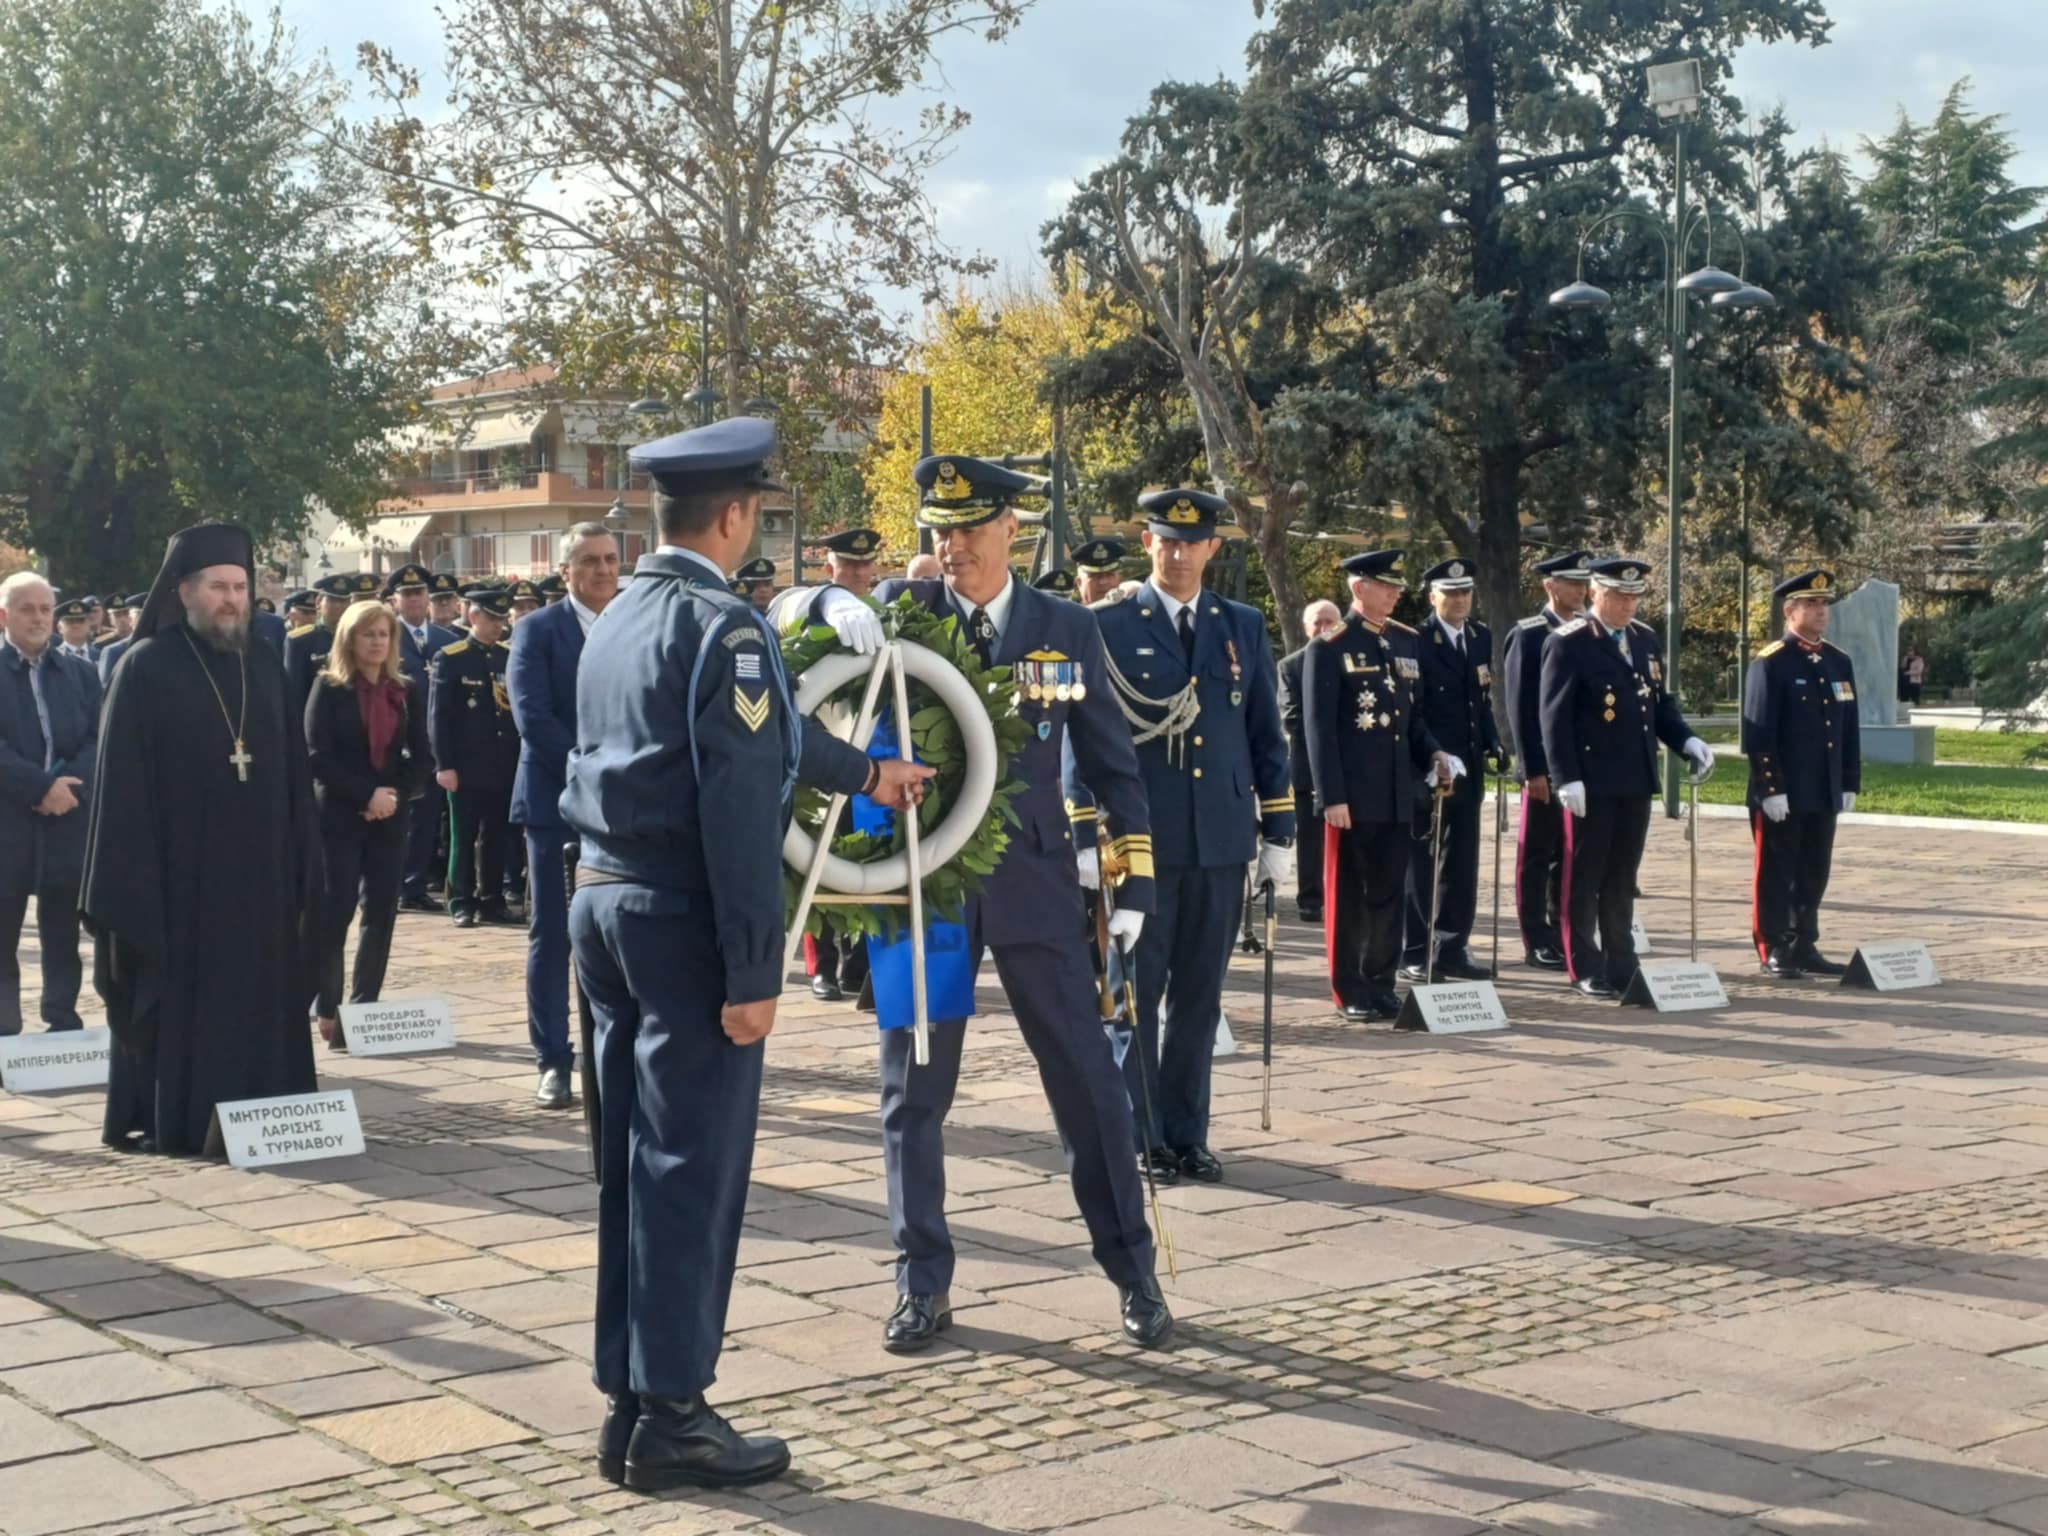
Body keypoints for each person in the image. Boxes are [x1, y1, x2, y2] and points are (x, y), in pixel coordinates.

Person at [563, 418, 930, 1491]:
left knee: (631, 1165)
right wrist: (752, 971)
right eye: (757, 514)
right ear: (732, 518)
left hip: (604, 903)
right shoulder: (724, 627)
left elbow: (752, 742)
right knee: (691, 1170)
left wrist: (864, 773)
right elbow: (732, 801)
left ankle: (633, 1400)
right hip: (683, 923)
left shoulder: (621, 611)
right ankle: (675, 1414)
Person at [781, 453, 1171, 1356]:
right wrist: (821, 601)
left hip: (1036, 887)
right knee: (912, 1093)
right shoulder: (899, 616)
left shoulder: (1064, 626)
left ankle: (1133, 1271)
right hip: (927, 888)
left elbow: (1112, 763)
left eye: (966, 530)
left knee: (1089, 1086)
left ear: (1010, 533)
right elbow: (788, 643)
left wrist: (1134, 882)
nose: (949, 547)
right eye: (938, 532)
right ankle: (922, 1285)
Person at [1064, 488, 1291, 1186]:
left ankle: (1189, 1134)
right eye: (1167, 540)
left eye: (1193, 542)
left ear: (1213, 548)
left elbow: (1263, 730)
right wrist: (1080, 828)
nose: (1180, 552)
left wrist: (1278, 828)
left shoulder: (1241, 625)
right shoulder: (1106, 623)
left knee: (1200, 998)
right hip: (1141, 838)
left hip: (1221, 838)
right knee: (1134, 994)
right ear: (1147, 542)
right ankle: (1142, 1136)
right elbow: (1084, 732)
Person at [81, 523, 322, 1155]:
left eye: (240, 587)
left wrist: (304, 863)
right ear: (184, 590)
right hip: (180, 890)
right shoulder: (144, 669)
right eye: (218, 586)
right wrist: (134, 887)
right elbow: (123, 797)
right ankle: (183, 1119)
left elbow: (294, 779)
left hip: (262, 887)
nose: (232, 600)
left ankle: (265, 1115)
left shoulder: (265, 666)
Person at [1538, 557, 1714, 997]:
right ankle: (1584, 963)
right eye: (1618, 596)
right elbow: (1554, 718)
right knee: (1585, 875)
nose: (1627, 605)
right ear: (1596, 593)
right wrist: (1565, 776)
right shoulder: (1569, 642)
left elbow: (1657, 703)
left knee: (1621, 876)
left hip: (1635, 777)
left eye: (1634, 597)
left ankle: (1621, 960)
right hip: (1591, 780)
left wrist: (1686, 741)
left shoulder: (1644, 640)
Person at [1304, 550, 1459, 1021]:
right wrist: (1332, 796)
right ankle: (1349, 987)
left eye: (1396, 585)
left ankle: (1380, 981)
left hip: (1396, 793)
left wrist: (1433, 751)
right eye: (1385, 585)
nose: (1395, 593)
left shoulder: (1405, 643)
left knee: (1390, 892)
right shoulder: (1330, 646)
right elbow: (1320, 730)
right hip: (1352, 796)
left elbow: (1412, 719)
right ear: (1358, 588)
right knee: (1350, 895)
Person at [509, 521, 621, 1110]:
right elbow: (534, 718)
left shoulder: (633, 625)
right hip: (557, 805)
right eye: (589, 561)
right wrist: (595, 770)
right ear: (565, 572)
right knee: (553, 935)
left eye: (610, 559)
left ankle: (616, 1054)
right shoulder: (536, 631)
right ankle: (553, 1059)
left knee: (619, 934)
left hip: (623, 810)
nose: (603, 570)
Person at [306, 601, 431, 1051]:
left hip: (390, 817)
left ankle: (363, 1011)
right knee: (335, 912)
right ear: (349, 640)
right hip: (339, 816)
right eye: (368, 634)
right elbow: (316, 755)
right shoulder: (329, 687)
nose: (377, 642)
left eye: (384, 634)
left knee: (380, 913)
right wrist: (365, 795)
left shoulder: (407, 690)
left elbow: (422, 756)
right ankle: (328, 1006)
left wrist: (392, 795)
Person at [1744, 570, 1861, 978]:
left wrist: (1848, 781)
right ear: (1790, 611)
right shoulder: (1772, 662)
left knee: (1814, 868)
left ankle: (1804, 942)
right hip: (1784, 789)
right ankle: (1774, 944)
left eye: (1824, 604)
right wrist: (1769, 786)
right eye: (1811, 604)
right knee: (1777, 871)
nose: (1820, 611)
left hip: (1822, 787)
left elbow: (1848, 729)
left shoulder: (1836, 660)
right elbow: (1758, 732)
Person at [0, 574, 98, 1035]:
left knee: (62, 928)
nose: (39, 618)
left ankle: (62, 1021)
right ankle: (4, 1030)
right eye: (27, 609)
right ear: (4, 616)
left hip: (66, 821)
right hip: (9, 821)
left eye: (45, 608)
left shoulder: (79, 672)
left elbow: (99, 738)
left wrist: (67, 791)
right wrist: (40, 787)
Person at [1400, 558, 1504, 982]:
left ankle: (1452, 945)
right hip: (1430, 766)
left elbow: (1479, 700)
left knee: (1462, 863)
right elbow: (1414, 709)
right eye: (1451, 593)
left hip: (1469, 767)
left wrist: (1493, 739)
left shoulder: (1479, 637)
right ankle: (1414, 950)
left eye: (1466, 592)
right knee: (1422, 863)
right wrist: (1435, 754)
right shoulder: (1416, 640)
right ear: (1432, 597)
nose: (1460, 600)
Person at [803, 529, 885, 1003]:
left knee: (869, 863)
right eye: (847, 565)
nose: (856, 573)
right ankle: (823, 967)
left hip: (875, 761)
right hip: (823, 760)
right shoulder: (813, 614)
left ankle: (859, 964)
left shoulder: (892, 620)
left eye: (863, 565)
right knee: (821, 860)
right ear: (829, 568)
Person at [1500, 550, 1592, 970]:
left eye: (1584, 582)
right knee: (1537, 852)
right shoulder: (1530, 634)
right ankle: (1536, 936)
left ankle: (1563, 928)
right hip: (1544, 767)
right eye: (1572, 582)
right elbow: (1521, 708)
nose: (1581, 590)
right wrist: (1532, 768)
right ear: (1549, 585)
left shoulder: (1589, 632)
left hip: (1579, 763)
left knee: (1570, 852)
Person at [432, 588, 521, 930]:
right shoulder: (452, 657)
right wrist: (444, 764)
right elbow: (439, 717)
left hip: (501, 763)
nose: (497, 625)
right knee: (463, 835)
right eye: (491, 617)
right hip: (466, 765)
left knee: (497, 835)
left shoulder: (506, 656)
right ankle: (461, 899)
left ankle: (492, 898)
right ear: (473, 616)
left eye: (502, 618)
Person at [386, 564, 459, 913]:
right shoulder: (385, 637)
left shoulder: (448, 640)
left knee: (429, 816)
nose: (415, 599)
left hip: (435, 743)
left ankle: (413, 884)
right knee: (400, 818)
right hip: (397, 741)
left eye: (419, 593)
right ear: (395, 600)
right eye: (407, 594)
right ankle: (392, 882)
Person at [1278, 600, 1343, 922]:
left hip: (1351, 766)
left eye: (1329, 621)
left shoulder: (1352, 660)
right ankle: (1310, 899)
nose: (1323, 628)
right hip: (1308, 767)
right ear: (1306, 628)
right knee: (1311, 839)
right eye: (1316, 622)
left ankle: (1345, 894)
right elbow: (1291, 719)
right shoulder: (1291, 666)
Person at [286, 572, 369, 720]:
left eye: (344, 601)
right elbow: (293, 696)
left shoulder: (361, 637)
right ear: (319, 602)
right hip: (317, 722)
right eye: (332, 600)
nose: (339, 606)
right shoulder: (300, 641)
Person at [95, 593, 150, 685]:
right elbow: (107, 688)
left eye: (125, 613)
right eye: (139, 615)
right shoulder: (113, 651)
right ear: (131, 619)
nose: (122, 619)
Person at [1073, 538, 1129, 605]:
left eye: (1109, 574)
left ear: (1120, 580)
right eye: (1094, 575)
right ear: (1079, 583)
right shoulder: (1068, 615)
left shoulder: (1133, 613)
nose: (1103, 582)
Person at [53, 597, 101, 665]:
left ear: (89, 625)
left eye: (80, 620)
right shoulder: (54, 658)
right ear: (59, 628)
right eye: (70, 621)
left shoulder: (100, 655)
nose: (76, 625)